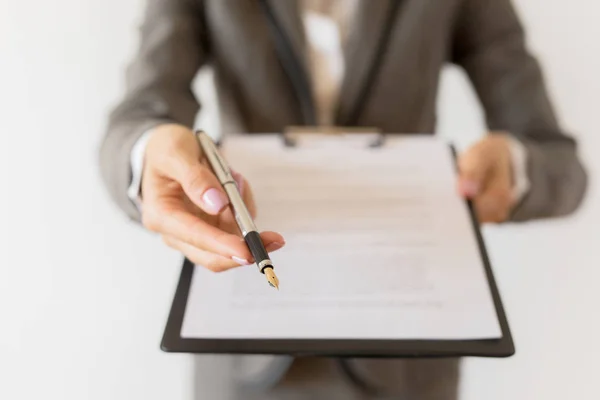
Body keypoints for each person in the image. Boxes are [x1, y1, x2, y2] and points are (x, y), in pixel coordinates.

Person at [99, 0, 587, 398]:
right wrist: (148, 159)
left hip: (409, 362)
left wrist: (514, 169)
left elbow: (562, 165)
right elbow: (137, 116)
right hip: (245, 362)